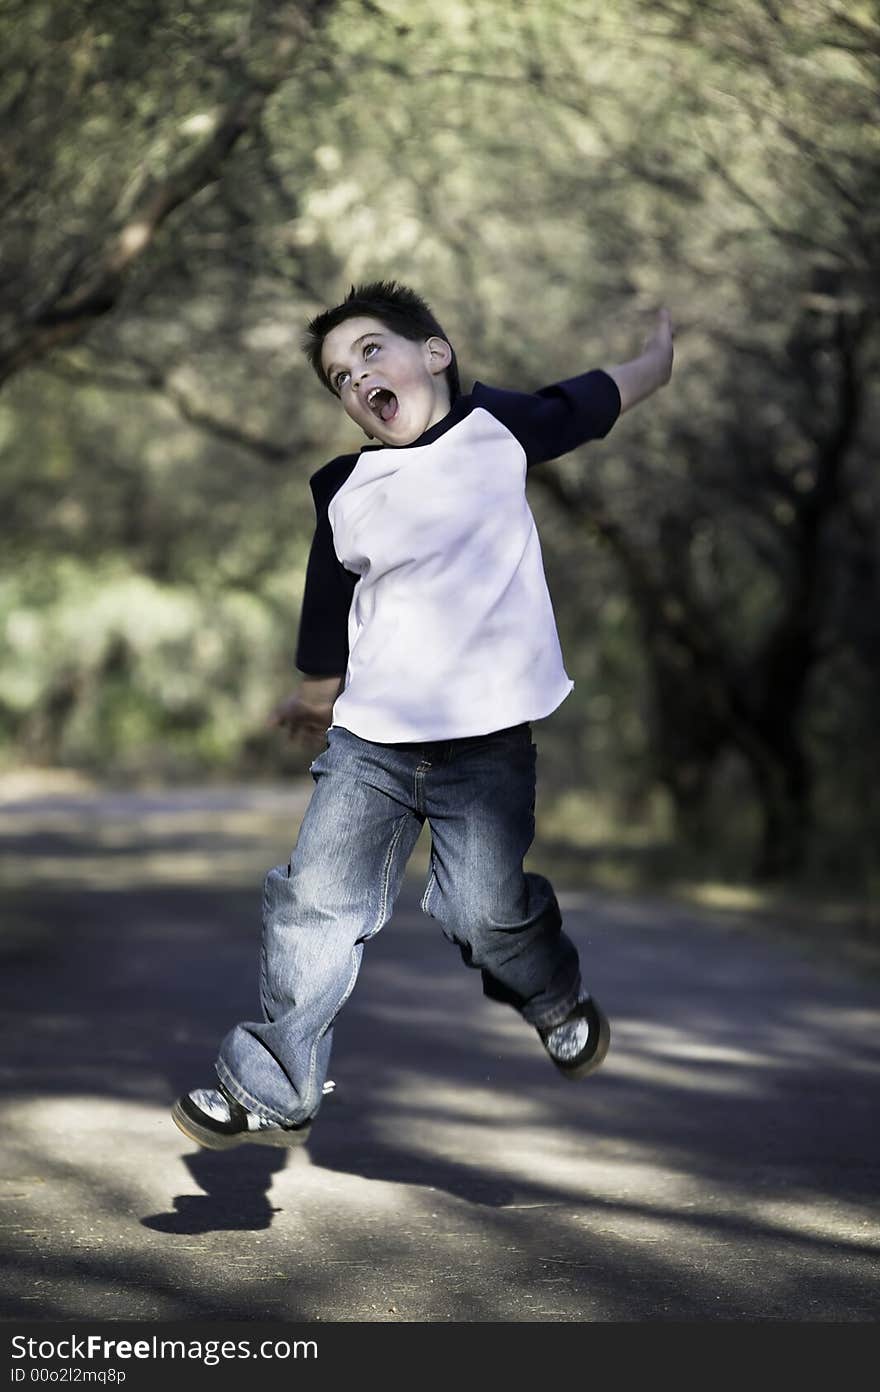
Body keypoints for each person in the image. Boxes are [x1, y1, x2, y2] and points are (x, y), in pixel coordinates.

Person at [172, 281, 674, 1150]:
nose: (356, 377)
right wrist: (314, 698)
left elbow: (591, 400)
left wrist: (660, 357)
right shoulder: (344, 486)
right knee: (313, 904)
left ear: (433, 353)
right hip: (372, 745)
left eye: (371, 351)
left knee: (482, 914)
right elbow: (326, 613)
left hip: (486, 747)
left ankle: (552, 996)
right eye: (337, 377)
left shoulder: (497, 431)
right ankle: (274, 1080)